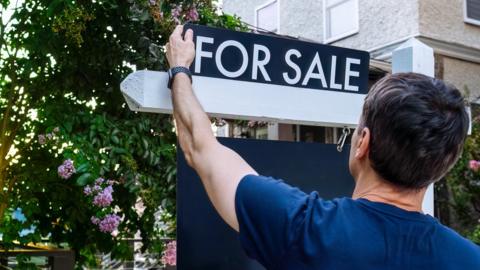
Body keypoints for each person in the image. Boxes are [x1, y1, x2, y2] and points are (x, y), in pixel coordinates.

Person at [165, 25, 480, 269]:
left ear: (363, 143)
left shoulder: (305, 230)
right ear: (442, 165)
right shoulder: (470, 260)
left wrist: (180, 69)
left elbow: (199, 144)